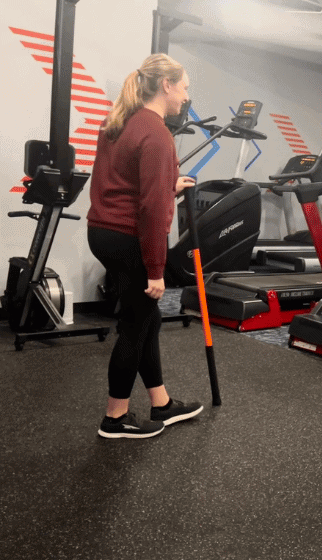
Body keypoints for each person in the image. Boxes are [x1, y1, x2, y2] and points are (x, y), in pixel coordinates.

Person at [87, 54, 203, 439]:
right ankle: (115, 418)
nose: (186, 97)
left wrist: (169, 185)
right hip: (129, 238)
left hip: (103, 232)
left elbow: (125, 183)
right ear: (166, 86)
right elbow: (152, 210)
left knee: (148, 318)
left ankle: (162, 403)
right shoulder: (156, 133)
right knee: (136, 325)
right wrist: (156, 270)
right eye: (184, 88)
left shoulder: (117, 121)